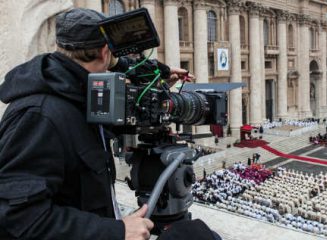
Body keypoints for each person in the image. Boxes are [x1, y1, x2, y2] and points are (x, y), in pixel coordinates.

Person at [0, 8, 209, 240]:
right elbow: (16, 217)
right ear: (105, 52)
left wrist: (162, 73)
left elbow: (121, 65)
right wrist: (115, 232)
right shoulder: (40, 115)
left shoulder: (74, 90)